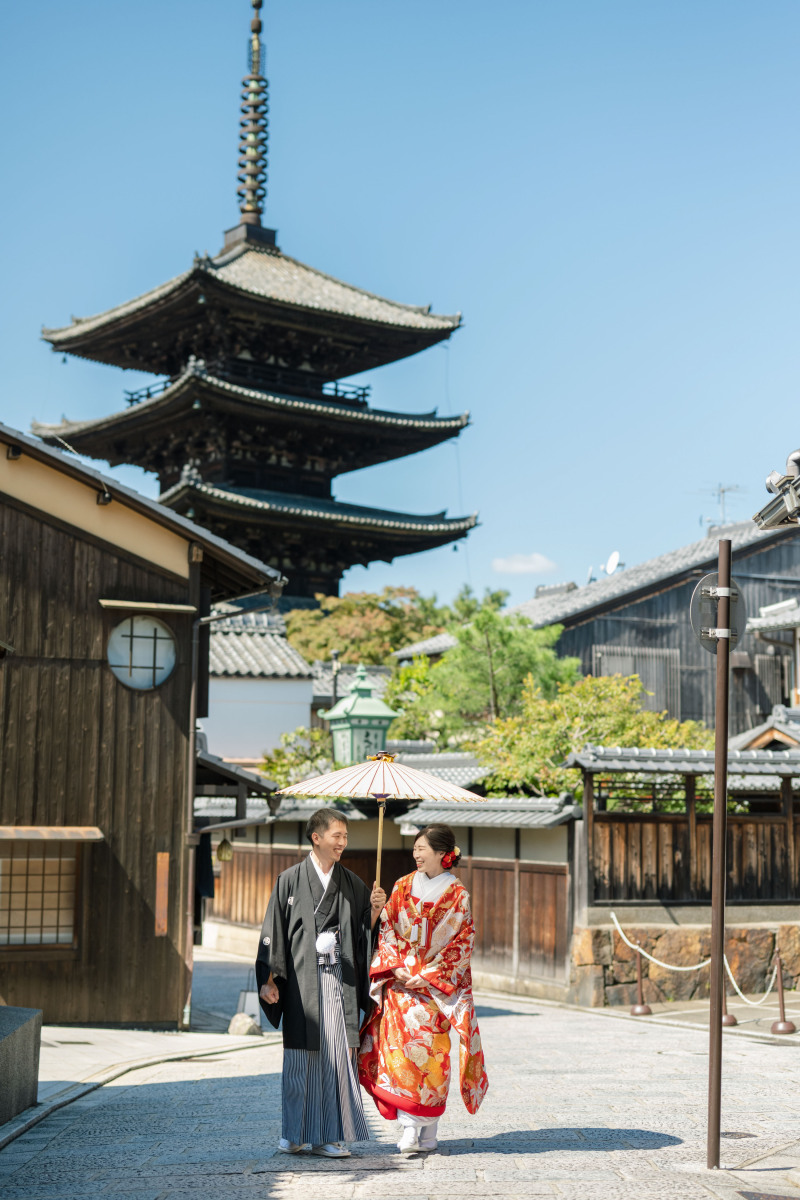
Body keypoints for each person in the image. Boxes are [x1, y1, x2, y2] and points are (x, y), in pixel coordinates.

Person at [256, 807, 386, 1158]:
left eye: (345, 837)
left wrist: (373, 911)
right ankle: (294, 1133)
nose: (342, 842)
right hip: (300, 980)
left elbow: (363, 932)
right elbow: (274, 932)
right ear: (317, 837)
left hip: (338, 980)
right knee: (300, 1056)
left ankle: (332, 1135)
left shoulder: (351, 882)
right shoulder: (289, 879)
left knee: (337, 1056)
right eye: (337, 836)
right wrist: (268, 978)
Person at [358, 823, 488, 1154]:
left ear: (443, 854)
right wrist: (398, 967)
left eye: (423, 849)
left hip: (434, 992)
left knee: (433, 1061)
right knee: (400, 1057)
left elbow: (462, 942)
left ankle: (427, 1132)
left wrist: (428, 975)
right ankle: (411, 1130)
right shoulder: (401, 887)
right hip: (401, 988)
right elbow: (386, 929)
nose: (416, 854)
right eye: (415, 848)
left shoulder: (458, 896)